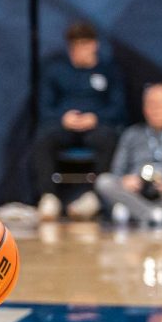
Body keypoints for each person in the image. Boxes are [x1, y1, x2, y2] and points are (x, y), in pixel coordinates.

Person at [33, 21, 126, 221]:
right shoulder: (55, 70)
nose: (78, 51)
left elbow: (119, 107)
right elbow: (44, 106)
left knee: (109, 138)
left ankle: (94, 198)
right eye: (74, 46)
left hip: (96, 126)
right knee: (44, 137)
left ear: (94, 45)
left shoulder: (109, 71)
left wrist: (96, 118)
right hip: (64, 126)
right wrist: (62, 118)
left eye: (83, 45)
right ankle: (48, 196)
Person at [97, 83, 162, 223]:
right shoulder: (132, 134)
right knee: (104, 181)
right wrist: (125, 181)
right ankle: (154, 214)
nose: (157, 110)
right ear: (144, 108)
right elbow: (116, 172)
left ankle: (134, 212)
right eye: (152, 104)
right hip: (135, 192)